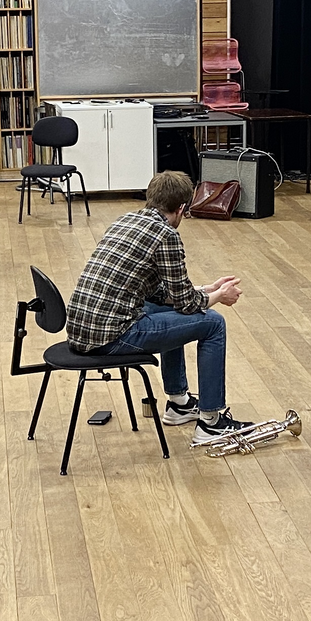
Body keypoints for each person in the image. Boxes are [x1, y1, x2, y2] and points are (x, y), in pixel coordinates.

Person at [66, 170, 254, 445]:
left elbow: (159, 293)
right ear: (181, 208)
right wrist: (219, 296)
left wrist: (207, 289)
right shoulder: (166, 235)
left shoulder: (126, 220)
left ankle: (179, 404)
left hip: (83, 331)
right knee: (213, 323)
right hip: (111, 338)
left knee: (168, 311)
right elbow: (186, 304)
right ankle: (211, 424)